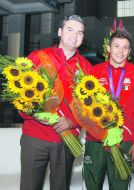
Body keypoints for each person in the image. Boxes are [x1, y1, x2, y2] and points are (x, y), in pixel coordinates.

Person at [19, 15, 92, 190]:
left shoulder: (86, 68)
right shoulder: (38, 57)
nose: (75, 35)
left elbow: (89, 108)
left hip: (66, 140)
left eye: (80, 33)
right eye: (70, 29)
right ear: (59, 32)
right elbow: (20, 95)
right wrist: (34, 114)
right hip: (35, 136)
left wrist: (72, 122)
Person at [83, 27, 134, 190]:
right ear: (109, 48)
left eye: (125, 47)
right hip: (96, 140)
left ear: (130, 51)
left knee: (120, 185)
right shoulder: (94, 72)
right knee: (92, 184)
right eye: (117, 46)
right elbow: (85, 106)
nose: (121, 51)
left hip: (124, 140)